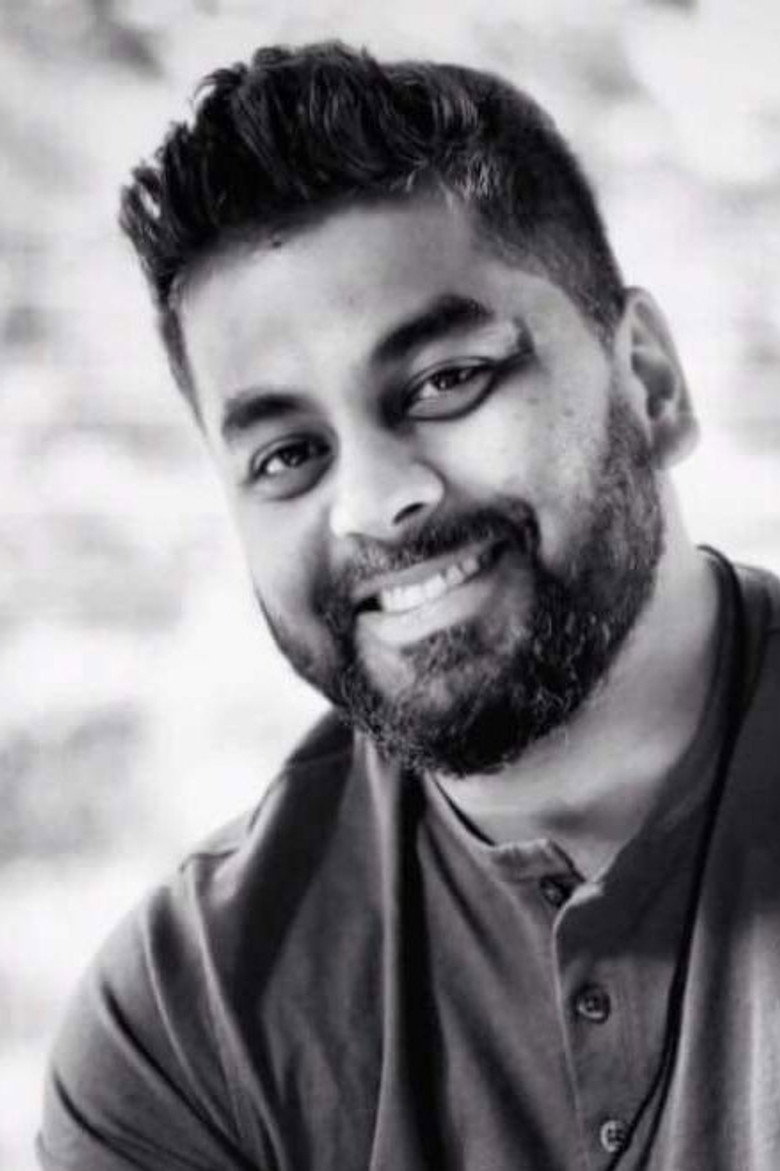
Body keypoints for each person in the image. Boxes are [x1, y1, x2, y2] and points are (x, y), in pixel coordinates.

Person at [38, 41, 780, 1171]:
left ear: (649, 381)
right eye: (289, 453)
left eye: (445, 381)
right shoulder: (186, 1030)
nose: (376, 503)